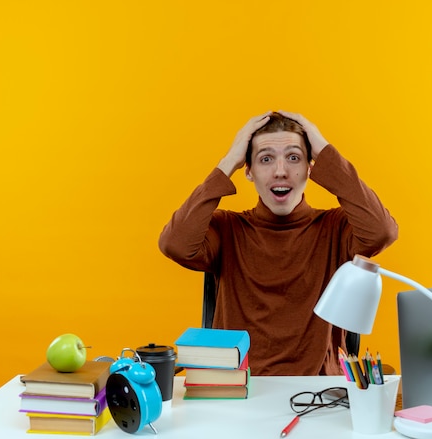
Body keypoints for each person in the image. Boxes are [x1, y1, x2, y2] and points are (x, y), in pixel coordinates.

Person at [159, 111, 398, 376]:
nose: (281, 171)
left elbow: (382, 231)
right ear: (247, 171)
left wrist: (325, 150)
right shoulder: (227, 229)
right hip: (240, 387)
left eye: (294, 158)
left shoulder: (336, 227)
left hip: (316, 392)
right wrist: (228, 162)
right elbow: (175, 244)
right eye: (266, 159)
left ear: (310, 167)